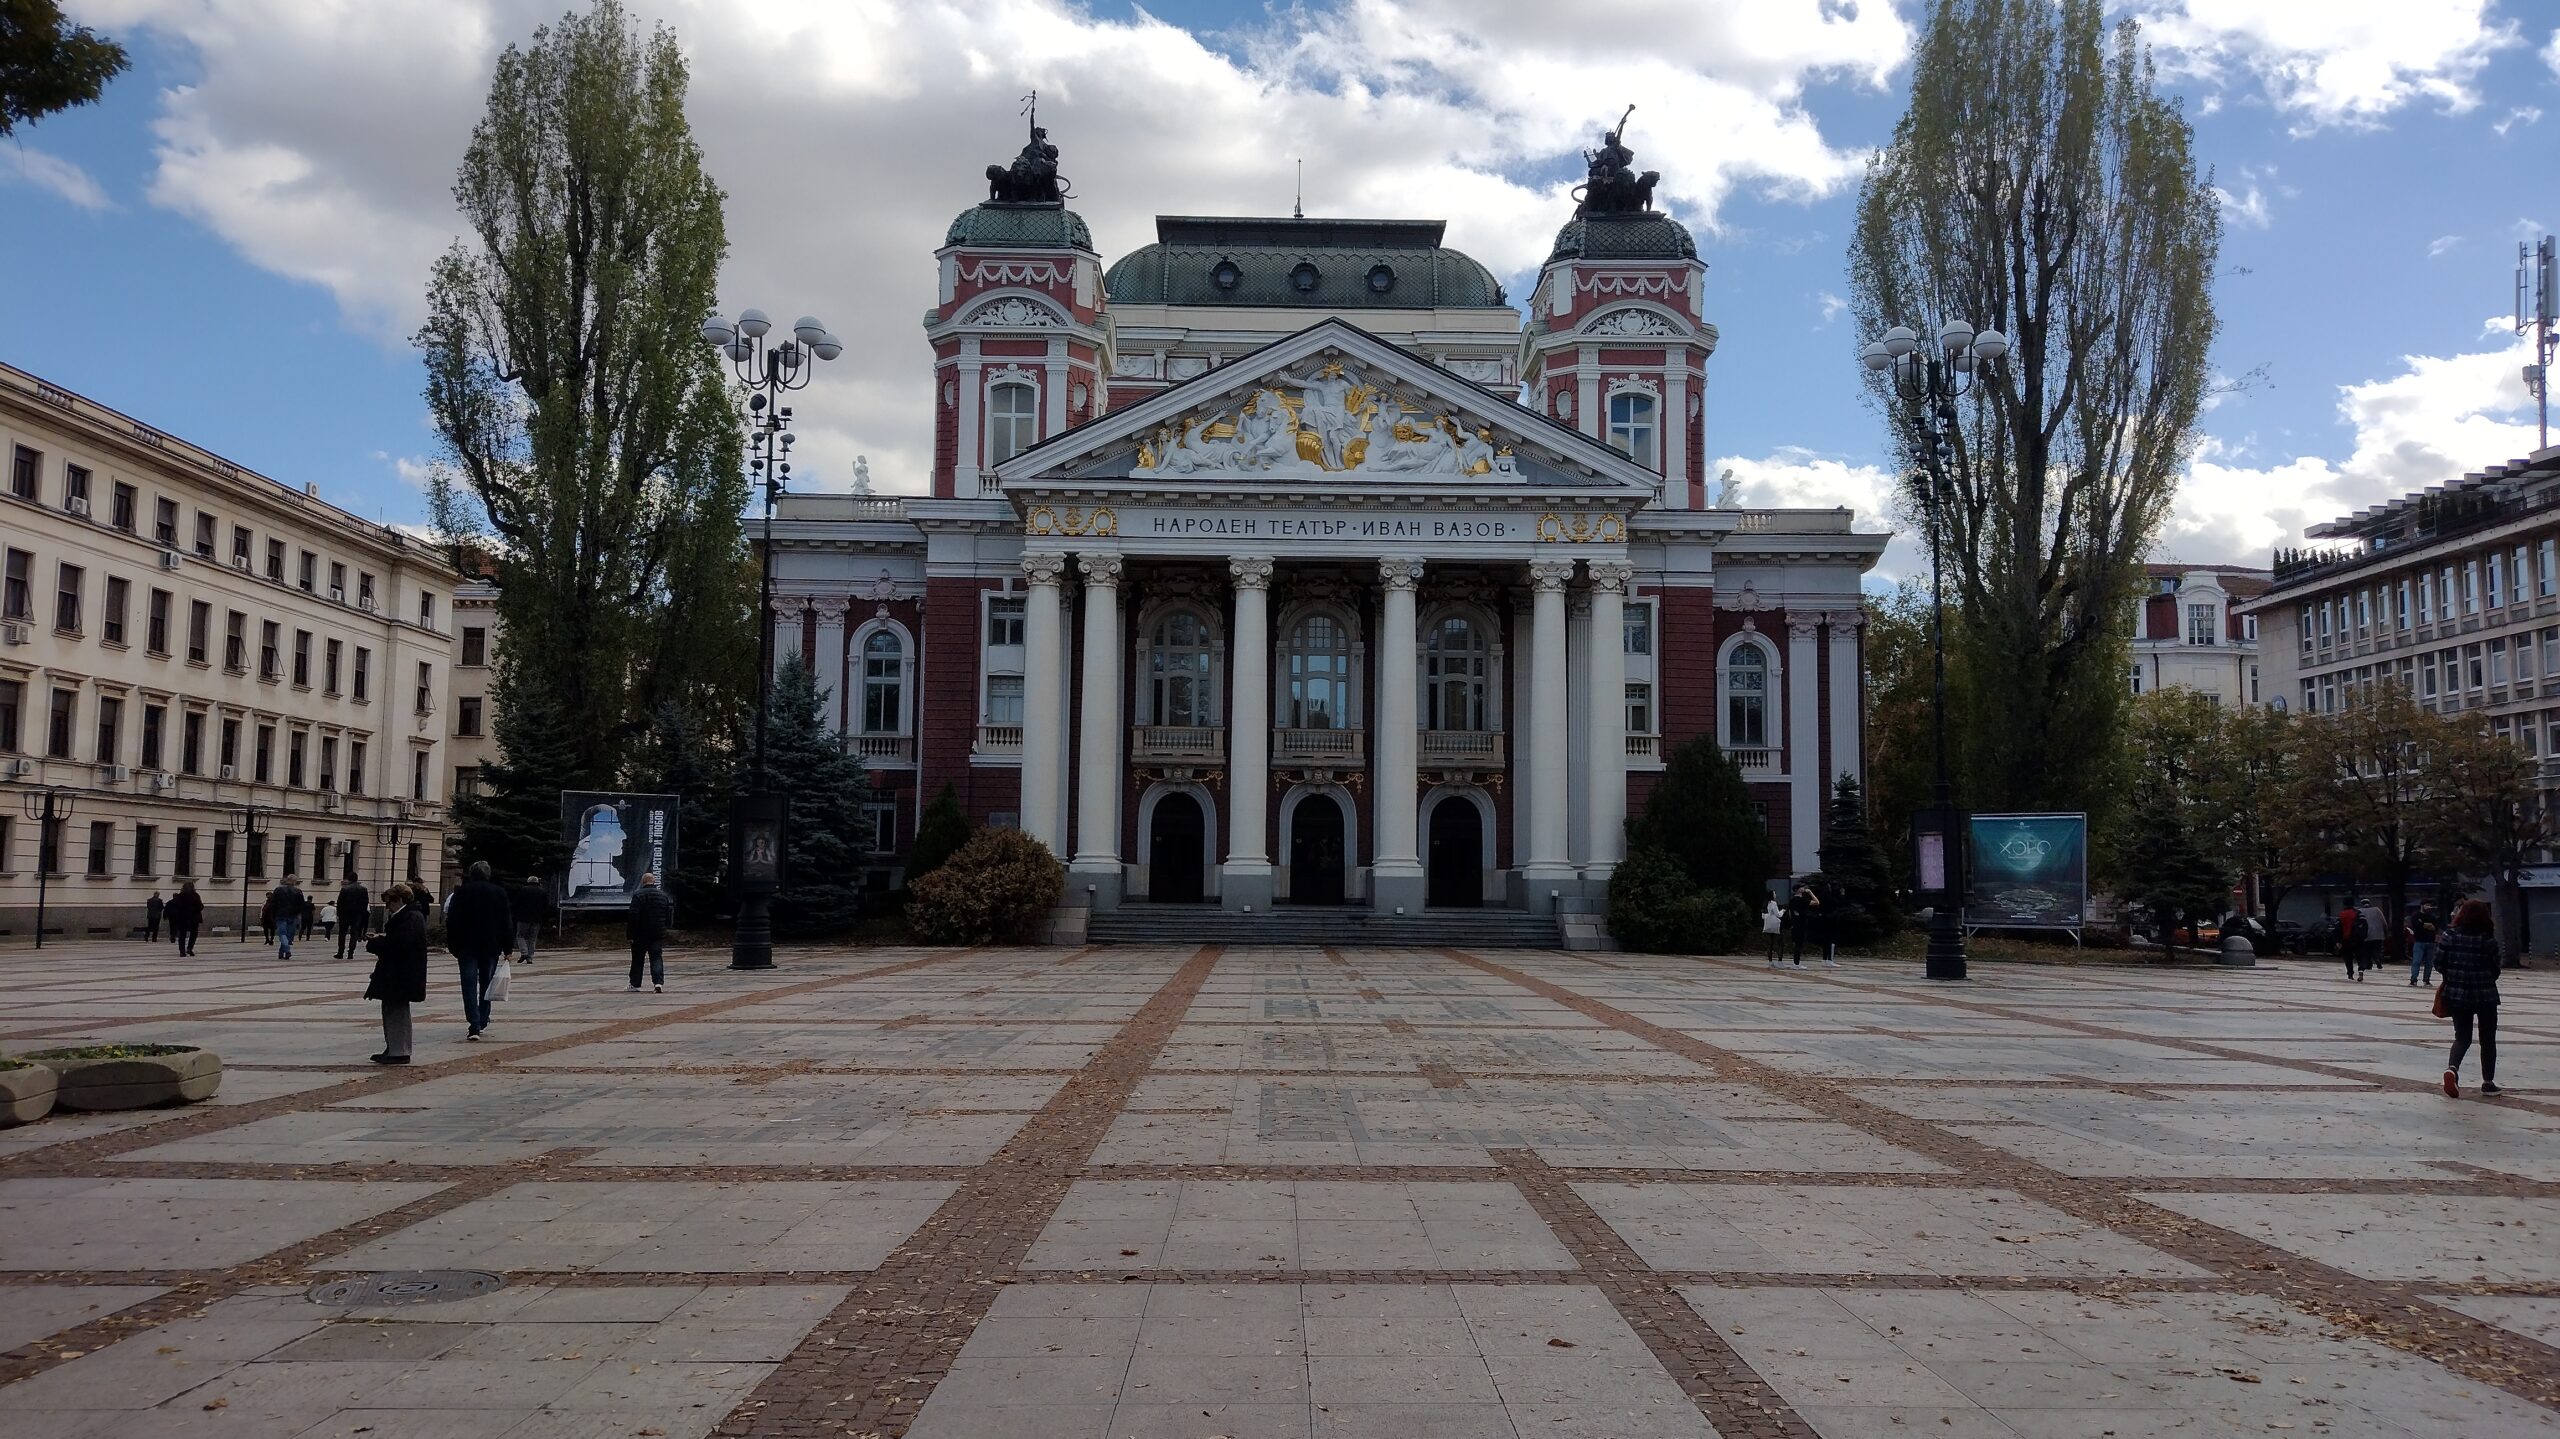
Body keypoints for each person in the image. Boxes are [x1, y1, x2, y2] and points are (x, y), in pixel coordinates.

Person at [2437, 898, 2503, 1098]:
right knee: (2488, 1039)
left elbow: (2439, 963)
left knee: (2462, 1037)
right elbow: (2495, 969)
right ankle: (2488, 1082)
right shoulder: (2488, 940)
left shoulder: (2449, 936)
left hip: (2457, 994)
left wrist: (2453, 976)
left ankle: (2453, 1069)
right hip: (2485, 995)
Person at [443, 861, 515, 1041]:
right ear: (488, 874)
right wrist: (508, 947)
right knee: (486, 983)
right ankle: (483, 1018)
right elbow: (506, 921)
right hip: (491, 945)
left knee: (468, 985)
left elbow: (452, 921)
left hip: (466, 946)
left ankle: (473, 1024)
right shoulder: (499, 892)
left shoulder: (461, 892)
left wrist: (453, 945)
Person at [363, 883, 428, 1065]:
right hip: (402, 973)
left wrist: (376, 944)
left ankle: (398, 1050)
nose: (387, 907)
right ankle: (395, 1047)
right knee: (394, 1010)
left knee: (396, 1011)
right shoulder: (410, 916)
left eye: (389, 902)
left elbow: (400, 945)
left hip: (401, 974)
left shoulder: (409, 917)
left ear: (399, 899)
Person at [628, 870, 673, 993]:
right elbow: (667, 915)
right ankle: (658, 983)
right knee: (656, 958)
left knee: (637, 959)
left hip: (640, 934)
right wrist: (665, 929)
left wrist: (630, 935)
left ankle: (635, 984)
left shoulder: (638, 895)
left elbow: (633, 916)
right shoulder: (663, 895)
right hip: (657, 933)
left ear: (643, 882)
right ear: (654, 882)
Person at [507, 874, 552, 967]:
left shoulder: (523, 890)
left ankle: (524, 952)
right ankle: (530, 957)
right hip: (537, 919)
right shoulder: (542, 892)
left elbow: (516, 903)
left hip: (523, 918)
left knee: (520, 935)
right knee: (532, 938)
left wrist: (514, 914)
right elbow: (546, 906)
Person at [269, 874, 307, 959]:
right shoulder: (298, 891)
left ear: (287, 880)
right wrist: (299, 916)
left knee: (282, 933)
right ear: (295, 882)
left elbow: (273, 903)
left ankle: (282, 951)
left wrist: (273, 915)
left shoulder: (278, 890)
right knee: (289, 934)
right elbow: (301, 905)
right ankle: (287, 949)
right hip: (292, 915)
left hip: (280, 914)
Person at [336, 876, 372, 960]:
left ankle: (340, 952)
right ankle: (351, 953)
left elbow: (340, 902)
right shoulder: (363, 889)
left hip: (345, 914)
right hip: (357, 915)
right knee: (354, 933)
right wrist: (362, 914)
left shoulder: (345, 889)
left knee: (342, 933)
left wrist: (339, 914)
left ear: (349, 879)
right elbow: (365, 902)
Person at [1787, 880, 1821, 969]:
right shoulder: (1802, 900)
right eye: (1802, 887)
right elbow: (1817, 902)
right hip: (1801, 924)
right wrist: (1810, 892)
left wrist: (1792, 922)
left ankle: (1796, 962)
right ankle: (1796, 963)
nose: (1804, 888)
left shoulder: (1792, 900)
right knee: (1800, 944)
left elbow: (1790, 913)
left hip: (1795, 924)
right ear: (1798, 890)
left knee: (1796, 943)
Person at [166, 881, 204, 957]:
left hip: (182, 918)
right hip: (193, 918)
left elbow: (176, 907)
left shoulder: (180, 896)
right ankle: (190, 948)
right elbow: (200, 906)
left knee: (182, 935)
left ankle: (182, 951)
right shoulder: (195, 895)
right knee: (193, 933)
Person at [2410, 906, 2440, 987]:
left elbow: (2435, 927)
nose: (2429, 907)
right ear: (2422, 905)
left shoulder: (2432, 917)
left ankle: (2426, 980)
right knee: (2417, 961)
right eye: (2427, 905)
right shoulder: (2416, 916)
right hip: (2419, 941)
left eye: (2430, 905)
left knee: (2429, 963)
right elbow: (2418, 926)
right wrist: (2427, 925)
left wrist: (2424, 925)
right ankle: (2413, 980)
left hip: (2430, 942)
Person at [2337, 901, 2366, 981]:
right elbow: (2365, 925)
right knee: (2360, 956)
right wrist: (2363, 937)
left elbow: (2337, 928)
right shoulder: (2359, 914)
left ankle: (2350, 974)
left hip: (2345, 940)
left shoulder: (2341, 915)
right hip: (2358, 940)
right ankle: (2361, 970)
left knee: (2348, 958)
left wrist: (2337, 940)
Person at [1763, 893, 1785, 968]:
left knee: (1770, 944)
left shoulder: (1765, 903)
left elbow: (1763, 916)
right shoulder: (1773, 903)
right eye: (1774, 894)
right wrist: (1783, 911)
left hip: (1768, 925)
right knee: (1780, 943)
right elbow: (1778, 914)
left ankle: (1770, 961)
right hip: (1775, 925)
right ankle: (1779, 961)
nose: (1775, 895)